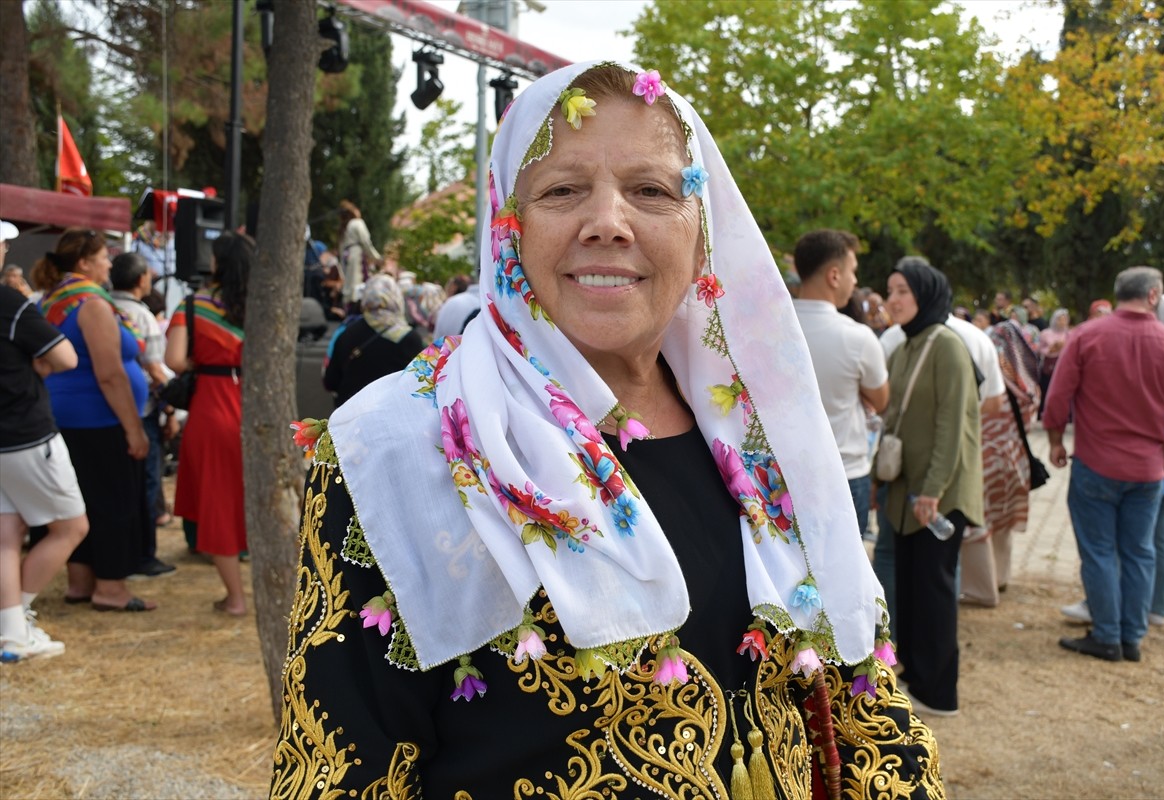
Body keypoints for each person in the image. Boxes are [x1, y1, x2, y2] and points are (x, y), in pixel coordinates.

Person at [271, 61, 942, 797]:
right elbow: (341, 767)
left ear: (701, 232)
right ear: (509, 222)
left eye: (651, 191)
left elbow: (866, 698)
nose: (608, 223)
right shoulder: (396, 446)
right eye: (562, 190)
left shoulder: (769, 435)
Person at [1045, 267, 1164, 662]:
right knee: (1139, 551)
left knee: (1098, 551)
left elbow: (1058, 395)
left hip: (1096, 462)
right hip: (1148, 469)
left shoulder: (1086, 335)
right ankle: (1131, 635)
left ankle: (1108, 634)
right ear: (1154, 296)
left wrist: (1055, 440)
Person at [875, 257, 983, 717]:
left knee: (935, 593)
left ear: (925, 293)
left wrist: (934, 490)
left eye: (902, 290)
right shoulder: (903, 347)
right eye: (890, 291)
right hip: (905, 494)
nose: (892, 300)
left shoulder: (947, 346)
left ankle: (940, 692)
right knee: (913, 591)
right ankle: (916, 676)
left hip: (936, 498)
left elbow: (951, 426)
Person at [31, 228, 156, 612]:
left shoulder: (50, 301)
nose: (109, 263)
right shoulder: (92, 304)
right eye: (104, 256)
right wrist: (134, 428)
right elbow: (110, 374)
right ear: (84, 262)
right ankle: (111, 588)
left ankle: (81, 582)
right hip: (99, 419)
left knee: (80, 501)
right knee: (113, 503)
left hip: (62, 418)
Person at [0, 284, 88, 658]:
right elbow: (66, 357)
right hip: (25, 433)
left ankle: (12, 632)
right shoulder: (8, 301)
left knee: (7, 532)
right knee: (72, 527)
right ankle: (13, 625)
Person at [165, 232, 250, 616]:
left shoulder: (193, 305)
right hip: (255, 406)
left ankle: (235, 599)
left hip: (211, 407)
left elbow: (174, 360)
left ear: (218, 263)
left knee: (218, 504)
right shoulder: (261, 304)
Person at [791, 229, 889, 538]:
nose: (855, 281)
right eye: (853, 272)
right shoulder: (857, 337)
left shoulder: (770, 326)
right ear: (834, 275)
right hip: (844, 474)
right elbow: (882, 400)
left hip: (781, 473)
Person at [961, 319, 1041, 607]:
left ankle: (982, 587)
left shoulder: (992, 382)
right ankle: (1002, 577)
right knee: (1003, 523)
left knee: (981, 523)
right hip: (1013, 460)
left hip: (985, 459)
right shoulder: (1027, 384)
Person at [110, 252, 177, 576]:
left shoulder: (102, 307)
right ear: (140, 281)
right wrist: (171, 406)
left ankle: (118, 554)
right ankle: (142, 555)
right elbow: (155, 369)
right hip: (141, 413)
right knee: (146, 485)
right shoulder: (142, 315)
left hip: (106, 413)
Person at [322, 274, 425, 407]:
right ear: (396, 298)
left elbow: (331, 381)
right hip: (390, 418)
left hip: (349, 417)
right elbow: (420, 388)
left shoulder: (347, 332)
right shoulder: (410, 339)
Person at [337, 200, 381, 309]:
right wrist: (376, 257)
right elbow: (365, 241)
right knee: (357, 284)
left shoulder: (345, 227)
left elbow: (341, 249)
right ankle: (357, 307)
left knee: (349, 284)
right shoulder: (357, 222)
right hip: (356, 255)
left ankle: (348, 307)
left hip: (347, 256)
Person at [1037, 308, 1070, 418]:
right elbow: (1039, 349)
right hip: (1048, 367)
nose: (1061, 322)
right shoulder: (1045, 333)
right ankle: (1044, 413)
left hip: (1064, 366)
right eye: (1059, 319)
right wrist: (1050, 349)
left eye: (1064, 319)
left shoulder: (1069, 334)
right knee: (1046, 390)